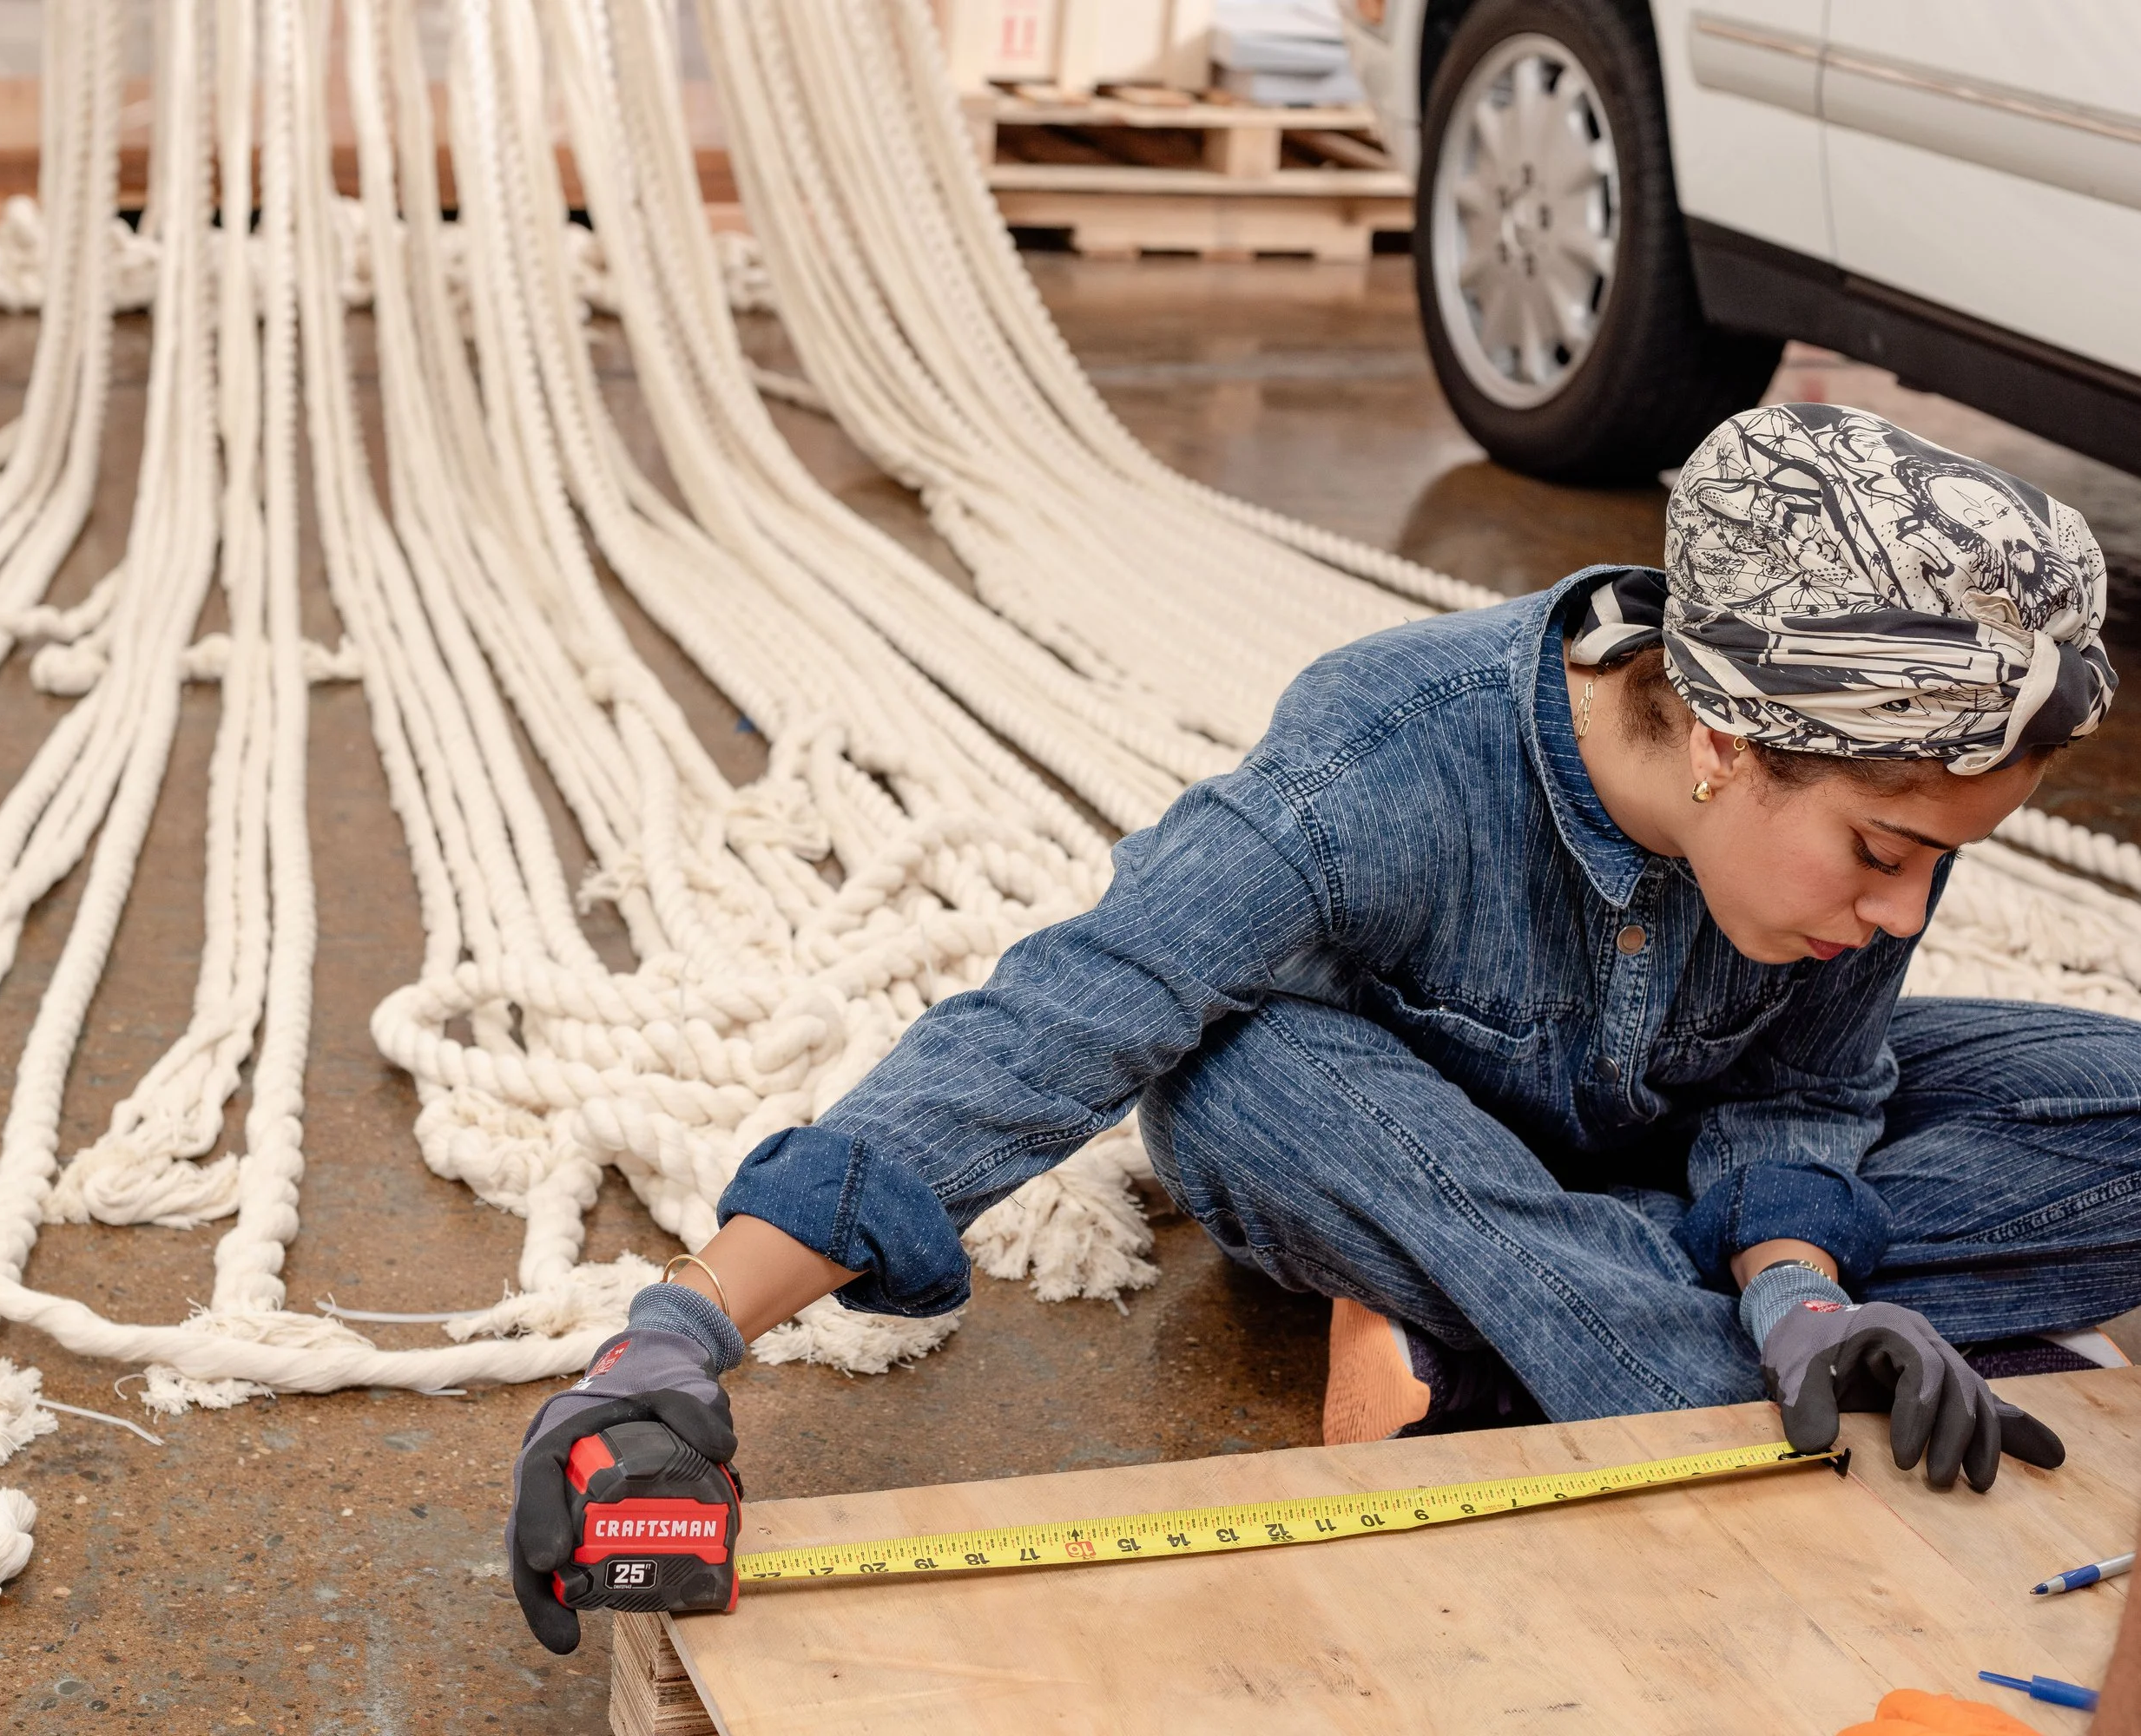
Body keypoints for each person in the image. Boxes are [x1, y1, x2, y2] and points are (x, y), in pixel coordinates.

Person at [505, 404, 2139, 1653]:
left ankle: (1514, 1341)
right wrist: (681, 1332)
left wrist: (1798, 1288)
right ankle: (1608, 1324)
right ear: (1723, 733)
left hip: (1654, 1144)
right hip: (1376, 1140)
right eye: (1885, 851)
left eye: (1942, 861)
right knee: (1242, 1067)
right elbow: (1065, 1016)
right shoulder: (1378, 764)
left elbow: (1803, 1093)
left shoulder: (1837, 838)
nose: (1907, 914)